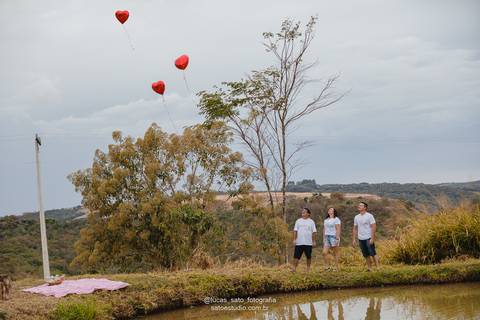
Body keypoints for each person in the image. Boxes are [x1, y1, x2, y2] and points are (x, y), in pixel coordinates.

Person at [352, 202, 380, 270]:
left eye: (361, 205)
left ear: (365, 208)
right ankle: (369, 268)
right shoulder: (356, 217)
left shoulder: (369, 216)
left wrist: (372, 238)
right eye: (359, 205)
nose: (359, 206)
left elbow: (374, 226)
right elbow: (355, 228)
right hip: (360, 238)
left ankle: (378, 268)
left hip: (368, 237)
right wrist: (354, 239)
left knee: (373, 253)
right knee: (365, 254)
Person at [292, 208, 317, 272]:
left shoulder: (311, 222)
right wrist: (294, 239)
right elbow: (295, 231)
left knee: (308, 256)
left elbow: (314, 232)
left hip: (308, 242)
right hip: (299, 242)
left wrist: (313, 241)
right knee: (296, 256)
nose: (303, 213)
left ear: (308, 214)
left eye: (305, 212)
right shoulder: (298, 221)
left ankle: (308, 269)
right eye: (302, 212)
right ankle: (294, 268)